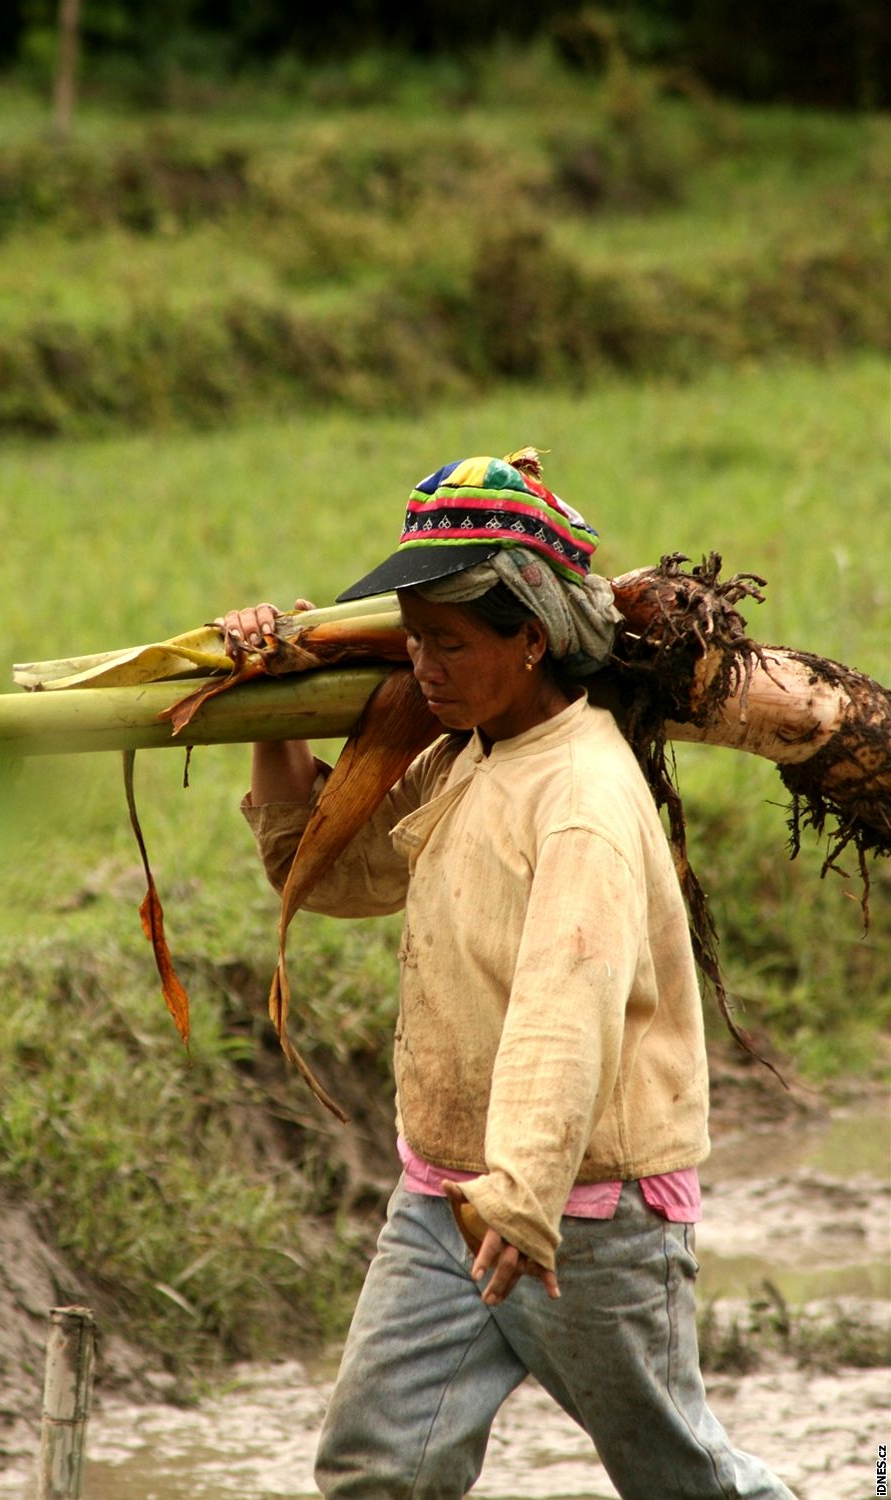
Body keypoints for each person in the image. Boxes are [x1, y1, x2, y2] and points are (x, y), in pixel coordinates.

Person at [224, 450, 795, 1500]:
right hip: (446, 1195)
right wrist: (282, 712)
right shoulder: (466, 751)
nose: (423, 667)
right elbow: (329, 873)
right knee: (375, 1470)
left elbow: (563, 1011)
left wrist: (524, 1195)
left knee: (681, 1479)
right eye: (413, 642)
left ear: (530, 638)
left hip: (581, 1215)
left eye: (447, 643)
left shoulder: (577, 797)